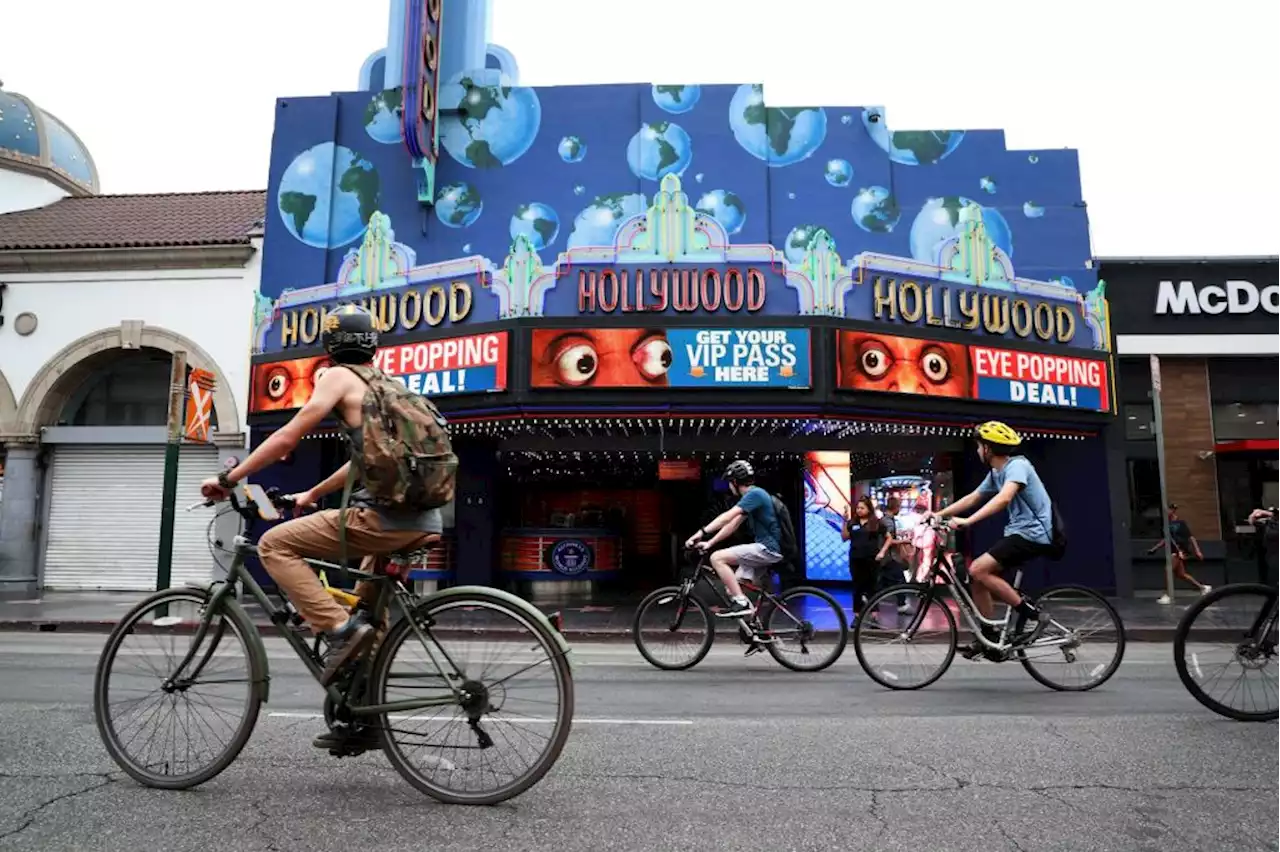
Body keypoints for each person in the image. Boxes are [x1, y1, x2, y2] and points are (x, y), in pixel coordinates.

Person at [199, 304, 442, 752]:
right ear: (374, 344)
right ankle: (365, 719)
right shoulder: (390, 386)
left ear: (331, 347)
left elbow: (288, 437)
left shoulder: (335, 377)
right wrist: (311, 494)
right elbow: (365, 461)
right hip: (424, 519)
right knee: (373, 619)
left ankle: (336, 630)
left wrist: (228, 480)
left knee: (274, 544)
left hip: (382, 519)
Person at [929, 421, 1053, 658]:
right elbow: (973, 497)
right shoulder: (996, 473)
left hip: (1034, 534)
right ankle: (988, 638)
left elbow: (1004, 499)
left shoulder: (1018, 466)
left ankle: (1034, 615)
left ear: (987, 449)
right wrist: (939, 514)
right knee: (977, 578)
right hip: (1019, 533)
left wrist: (968, 521)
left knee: (978, 569)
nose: (977, 451)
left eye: (979, 446)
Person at [684, 460, 783, 618]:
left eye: (730, 483)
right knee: (732, 588)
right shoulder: (753, 498)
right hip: (765, 549)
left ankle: (742, 602)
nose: (729, 487)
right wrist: (710, 542)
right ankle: (758, 632)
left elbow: (727, 516)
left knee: (717, 558)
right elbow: (731, 525)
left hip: (767, 548)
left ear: (735, 482)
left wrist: (701, 532)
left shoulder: (754, 494)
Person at [842, 496, 890, 615]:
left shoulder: (876, 523)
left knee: (872, 587)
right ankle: (857, 615)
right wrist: (844, 521)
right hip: (855, 558)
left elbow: (889, 538)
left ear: (869, 509)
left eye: (862, 508)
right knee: (857, 587)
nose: (859, 510)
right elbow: (844, 537)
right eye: (857, 508)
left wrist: (882, 551)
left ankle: (874, 615)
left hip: (872, 559)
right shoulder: (853, 523)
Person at [1147, 504, 1209, 595]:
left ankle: (1168, 595)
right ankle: (1202, 587)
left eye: (1168, 510)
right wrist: (1155, 548)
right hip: (1173, 550)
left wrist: (1197, 551)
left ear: (1172, 510)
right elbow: (1166, 539)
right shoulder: (1166, 524)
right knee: (1181, 574)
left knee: (1168, 569)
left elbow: (1191, 537)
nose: (1166, 512)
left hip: (1180, 550)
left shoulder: (1180, 523)